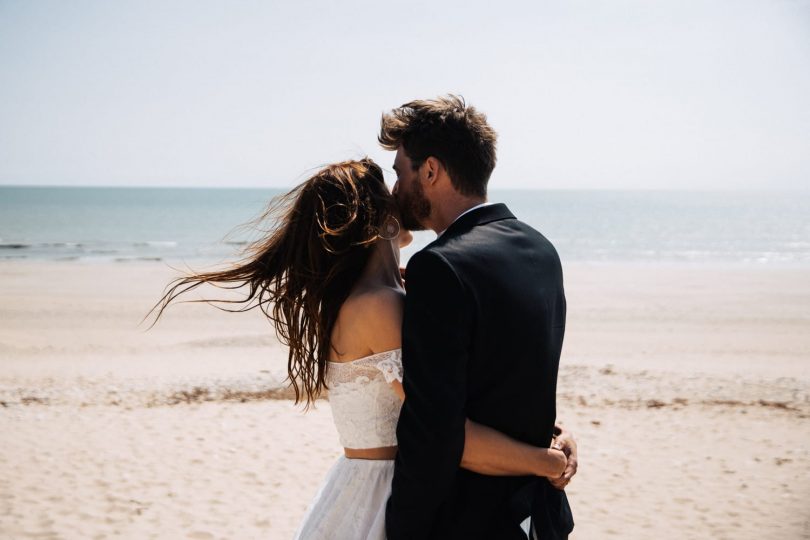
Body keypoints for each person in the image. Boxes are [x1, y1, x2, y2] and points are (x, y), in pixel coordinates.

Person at [149, 157, 577, 539]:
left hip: (357, 486)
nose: (399, 193)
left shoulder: (371, 297)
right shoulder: (380, 306)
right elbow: (444, 429)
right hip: (387, 493)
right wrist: (547, 462)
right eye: (389, 189)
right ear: (382, 221)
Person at [380, 95, 574, 539]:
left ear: (430, 171)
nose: (394, 190)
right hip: (537, 516)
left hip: (468, 523)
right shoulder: (541, 249)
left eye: (399, 172)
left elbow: (439, 438)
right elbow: (518, 386)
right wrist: (557, 442)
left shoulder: (440, 267)